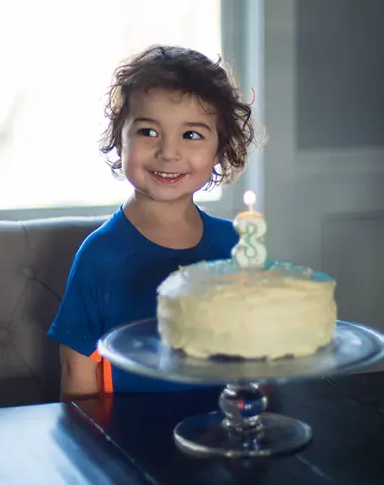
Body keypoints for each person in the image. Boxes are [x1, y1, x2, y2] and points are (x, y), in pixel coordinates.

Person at [48, 45, 254, 398]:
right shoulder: (101, 255)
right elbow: (77, 373)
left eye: (192, 135)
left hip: (223, 437)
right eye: (148, 132)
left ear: (220, 148)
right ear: (119, 139)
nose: (168, 152)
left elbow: (257, 356)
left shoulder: (236, 245)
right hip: (128, 443)